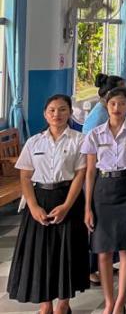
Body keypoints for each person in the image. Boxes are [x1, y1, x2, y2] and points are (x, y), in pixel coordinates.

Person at [8, 95, 90, 311]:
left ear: (70, 113)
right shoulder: (34, 142)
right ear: (45, 114)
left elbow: (80, 176)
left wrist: (66, 206)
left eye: (62, 109)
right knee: (41, 254)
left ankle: (63, 304)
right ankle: (46, 304)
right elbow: (25, 177)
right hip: (40, 200)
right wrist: (33, 207)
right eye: (52, 110)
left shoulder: (79, 140)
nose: (57, 114)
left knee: (67, 253)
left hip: (68, 199)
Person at [82, 87, 126, 314]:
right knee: (103, 250)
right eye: (113, 104)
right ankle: (108, 301)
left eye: (122, 103)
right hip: (103, 190)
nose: (117, 108)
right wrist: (87, 207)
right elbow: (89, 173)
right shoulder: (95, 134)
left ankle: (120, 301)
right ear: (106, 105)